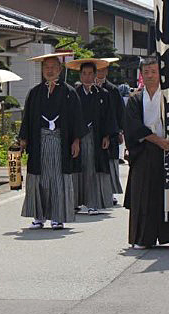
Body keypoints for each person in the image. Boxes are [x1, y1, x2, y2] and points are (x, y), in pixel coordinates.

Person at [123, 56, 169, 249]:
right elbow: (133, 127)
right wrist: (157, 141)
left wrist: (167, 143)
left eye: (154, 71)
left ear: (160, 73)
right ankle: (143, 238)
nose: (150, 75)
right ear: (141, 75)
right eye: (147, 72)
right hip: (144, 151)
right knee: (143, 194)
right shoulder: (136, 99)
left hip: (168, 151)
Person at [19, 53, 85, 230]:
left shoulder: (69, 92)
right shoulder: (34, 93)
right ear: (42, 70)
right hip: (39, 142)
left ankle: (58, 216)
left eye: (53, 67)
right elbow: (27, 119)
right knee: (38, 180)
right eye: (46, 67)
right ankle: (38, 216)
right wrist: (23, 140)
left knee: (58, 180)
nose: (49, 70)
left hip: (60, 142)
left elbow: (77, 118)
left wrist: (76, 141)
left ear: (59, 69)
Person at [69, 59, 118, 215]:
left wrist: (107, 136)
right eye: (84, 74)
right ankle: (74, 201)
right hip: (76, 136)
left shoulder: (103, 94)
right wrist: (73, 137)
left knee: (91, 168)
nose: (87, 77)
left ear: (95, 75)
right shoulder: (73, 93)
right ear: (80, 75)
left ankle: (92, 203)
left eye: (90, 74)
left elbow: (109, 117)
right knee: (74, 170)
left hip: (95, 136)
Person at [97, 59, 125, 201]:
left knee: (111, 162)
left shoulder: (112, 89)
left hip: (111, 130)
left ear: (107, 71)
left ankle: (111, 192)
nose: (100, 73)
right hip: (95, 132)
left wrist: (120, 130)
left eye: (103, 70)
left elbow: (120, 112)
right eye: (98, 70)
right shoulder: (89, 88)